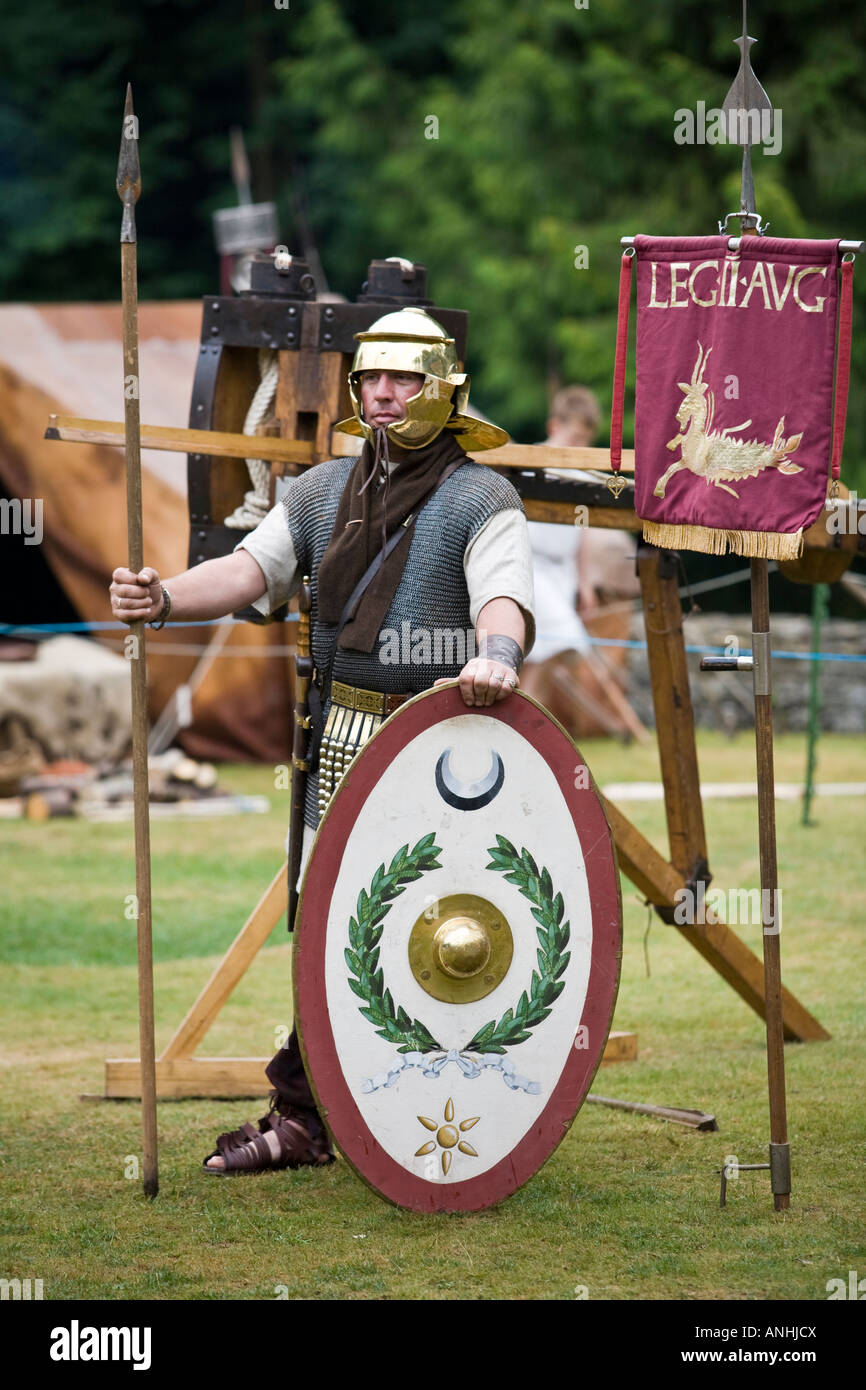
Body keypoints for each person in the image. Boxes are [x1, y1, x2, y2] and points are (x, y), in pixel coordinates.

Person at [110, 307, 535, 1174]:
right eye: (373, 377)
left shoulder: (480, 497)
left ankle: (438, 1105)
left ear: (442, 389)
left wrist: (495, 656)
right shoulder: (319, 492)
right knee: (327, 929)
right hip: (337, 734)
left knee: (442, 923)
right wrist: (161, 598)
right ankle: (305, 1116)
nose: (384, 393)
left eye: (404, 379)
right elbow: (250, 572)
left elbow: (504, 594)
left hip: (440, 744)